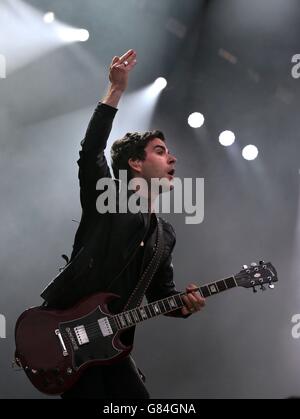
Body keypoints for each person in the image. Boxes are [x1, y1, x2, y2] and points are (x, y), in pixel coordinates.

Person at [41, 49, 206, 399]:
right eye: (160, 150)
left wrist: (187, 304)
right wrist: (114, 91)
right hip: (68, 337)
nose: (172, 157)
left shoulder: (165, 235)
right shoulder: (108, 200)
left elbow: (162, 295)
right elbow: (90, 153)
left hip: (111, 349)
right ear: (134, 163)